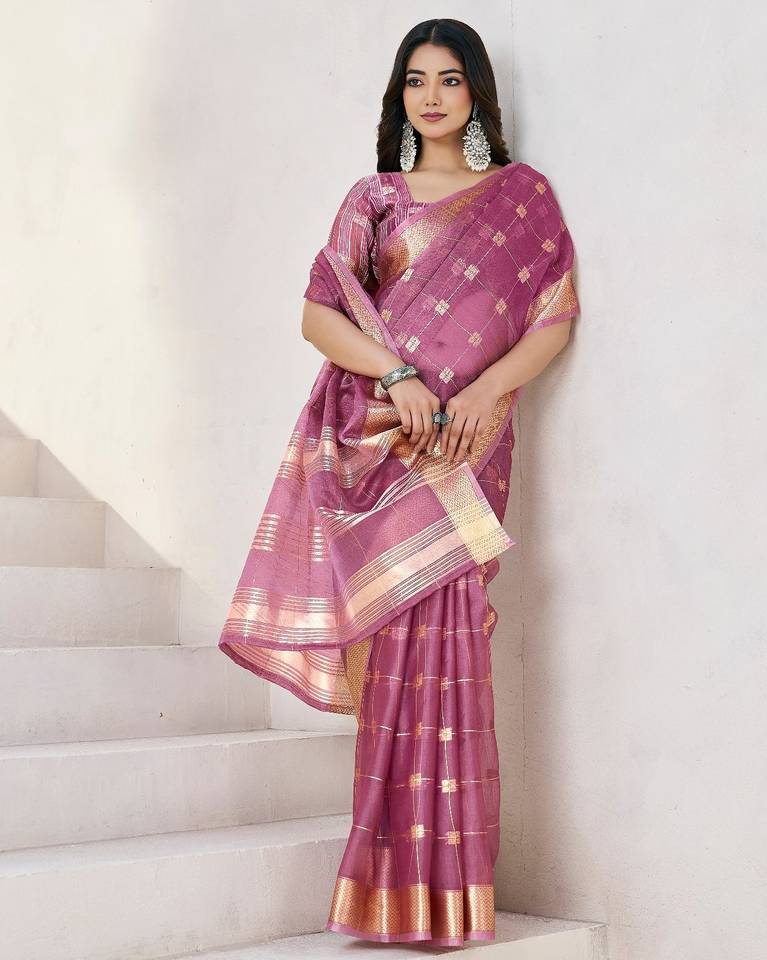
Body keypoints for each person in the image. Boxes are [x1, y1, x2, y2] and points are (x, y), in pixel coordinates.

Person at [218, 17, 580, 947]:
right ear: (398, 96)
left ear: (477, 94)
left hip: (465, 448)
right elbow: (319, 315)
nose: (432, 96)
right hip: (386, 442)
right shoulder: (373, 197)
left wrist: (488, 392)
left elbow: (554, 317)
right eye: (416, 80)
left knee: (453, 645)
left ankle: (451, 895)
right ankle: (389, 889)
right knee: (398, 660)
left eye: (449, 80)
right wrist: (400, 375)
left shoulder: (523, 198)